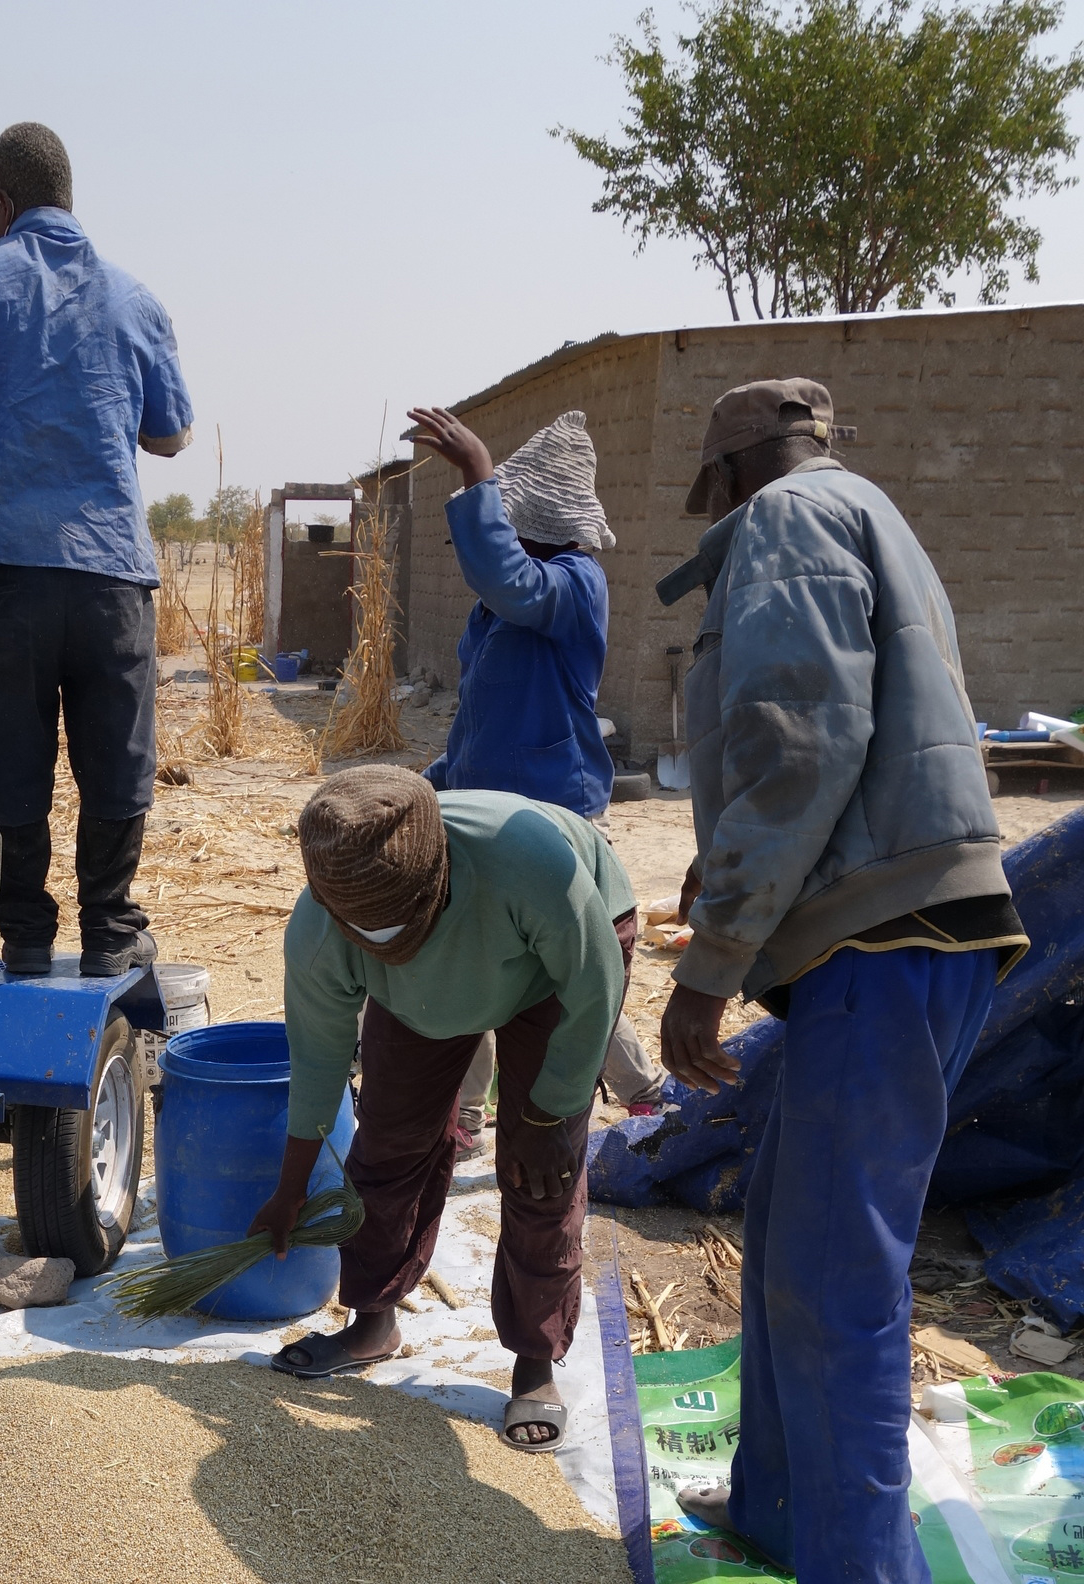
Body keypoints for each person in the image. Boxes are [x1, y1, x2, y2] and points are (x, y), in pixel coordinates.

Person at [656, 379, 1028, 1581]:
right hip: (905, 933)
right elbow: (844, 742)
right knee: (790, 1235)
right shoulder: (867, 509)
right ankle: (777, 1508)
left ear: (736, 473)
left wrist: (706, 969)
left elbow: (801, 741)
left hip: (890, 940)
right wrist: (727, 872)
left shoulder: (787, 521)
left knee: (835, 1278)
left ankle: (859, 1565)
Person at [249, 766, 637, 1452]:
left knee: (537, 1170)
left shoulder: (531, 863)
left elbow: (595, 982)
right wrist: (289, 1188)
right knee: (388, 1143)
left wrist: (552, 1113)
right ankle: (373, 1322)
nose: (390, 943)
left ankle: (534, 1361)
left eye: (403, 927)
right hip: (419, 1002)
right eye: (371, 935)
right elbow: (317, 1061)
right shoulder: (322, 928)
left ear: (440, 880)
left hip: (557, 970)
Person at [0, 121, 193, 977]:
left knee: (4, 755)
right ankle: (110, 931)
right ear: (68, 198)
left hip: (8, 577)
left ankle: (24, 935)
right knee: (116, 758)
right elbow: (170, 438)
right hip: (112, 580)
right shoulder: (136, 300)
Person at [405, 406, 664, 1144]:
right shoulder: (495, 613)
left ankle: (642, 1092)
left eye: (503, 516)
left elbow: (508, 577)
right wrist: (432, 786)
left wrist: (476, 469)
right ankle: (464, 1114)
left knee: (575, 975)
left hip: (555, 824)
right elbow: (484, 724)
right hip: (485, 817)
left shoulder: (573, 584)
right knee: (476, 967)